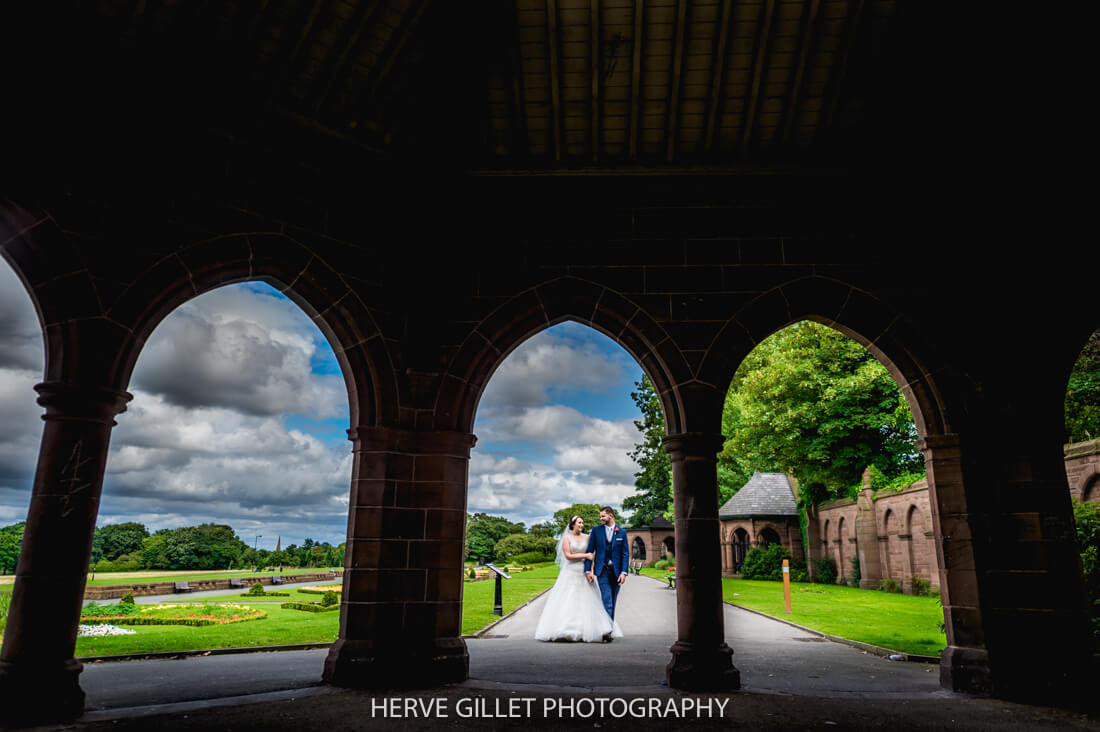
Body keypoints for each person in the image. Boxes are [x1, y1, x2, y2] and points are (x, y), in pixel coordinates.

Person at [534, 515, 623, 643]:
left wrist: (591, 571)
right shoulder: (567, 538)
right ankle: (567, 629)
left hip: (584, 572)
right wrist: (586, 555)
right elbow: (568, 555)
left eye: (582, 523)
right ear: (573, 524)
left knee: (589, 600)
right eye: (579, 523)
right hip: (570, 572)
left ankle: (590, 629)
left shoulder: (587, 537)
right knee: (569, 599)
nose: (581, 525)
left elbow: (592, 555)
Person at [584, 506, 630, 639]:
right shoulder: (596, 530)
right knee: (607, 600)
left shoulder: (621, 532)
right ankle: (607, 631)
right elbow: (590, 550)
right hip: (602, 570)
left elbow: (625, 553)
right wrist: (588, 570)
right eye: (601, 516)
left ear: (610, 515)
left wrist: (624, 572)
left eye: (603, 516)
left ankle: (608, 627)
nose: (601, 518)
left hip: (617, 573)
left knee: (613, 602)